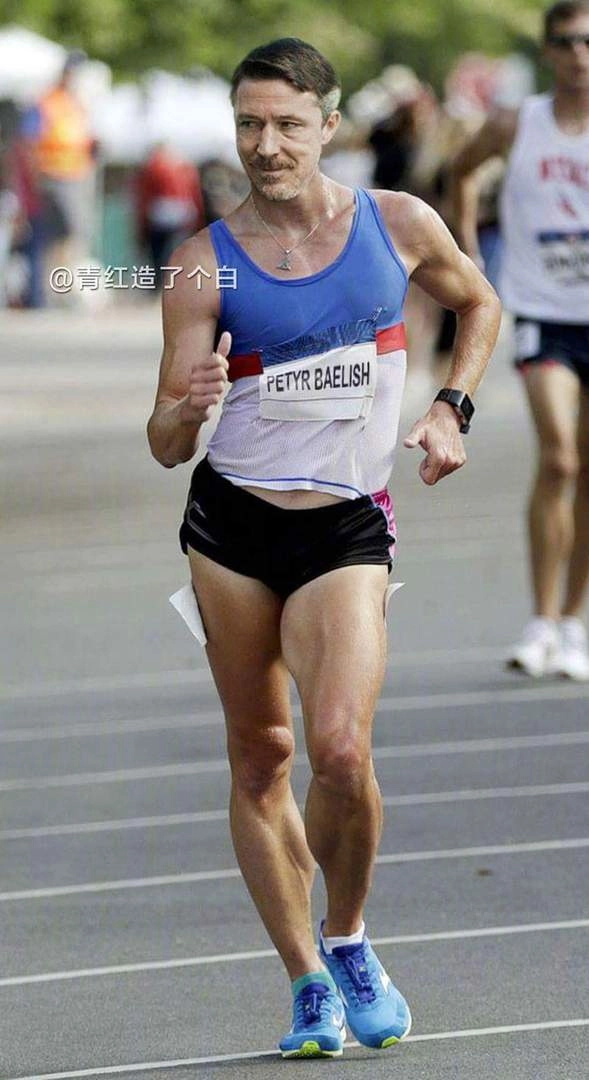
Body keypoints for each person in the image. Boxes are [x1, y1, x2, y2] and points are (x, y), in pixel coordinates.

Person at [147, 38, 500, 1059]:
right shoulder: (203, 261)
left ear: (329, 126)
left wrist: (451, 406)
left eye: (286, 125)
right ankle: (306, 979)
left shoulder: (396, 223)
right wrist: (188, 406)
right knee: (262, 755)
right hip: (230, 530)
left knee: (341, 750)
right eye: (248, 125)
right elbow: (164, 443)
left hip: (344, 523)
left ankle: (347, 936)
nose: (265, 145)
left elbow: (477, 301)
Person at [452, 1, 589, 681]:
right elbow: (459, 171)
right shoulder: (515, 123)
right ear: (546, 51)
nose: (578, 53)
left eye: (588, 41)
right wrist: (467, 256)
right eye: (565, 41)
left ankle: (573, 622)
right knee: (559, 459)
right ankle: (540, 620)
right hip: (541, 312)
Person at [19, 50, 97, 303]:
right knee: (63, 233)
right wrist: (35, 177)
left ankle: (60, 290)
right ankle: (54, 291)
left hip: (77, 174)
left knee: (69, 235)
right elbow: (30, 142)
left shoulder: (77, 102)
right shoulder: (46, 102)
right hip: (54, 176)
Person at [135, 142, 205, 289]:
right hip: (181, 212)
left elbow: (144, 195)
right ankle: (176, 284)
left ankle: (160, 285)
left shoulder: (153, 166)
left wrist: (142, 224)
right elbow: (193, 193)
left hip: (161, 214)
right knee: (176, 252)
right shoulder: (184, 166)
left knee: (159, 253)